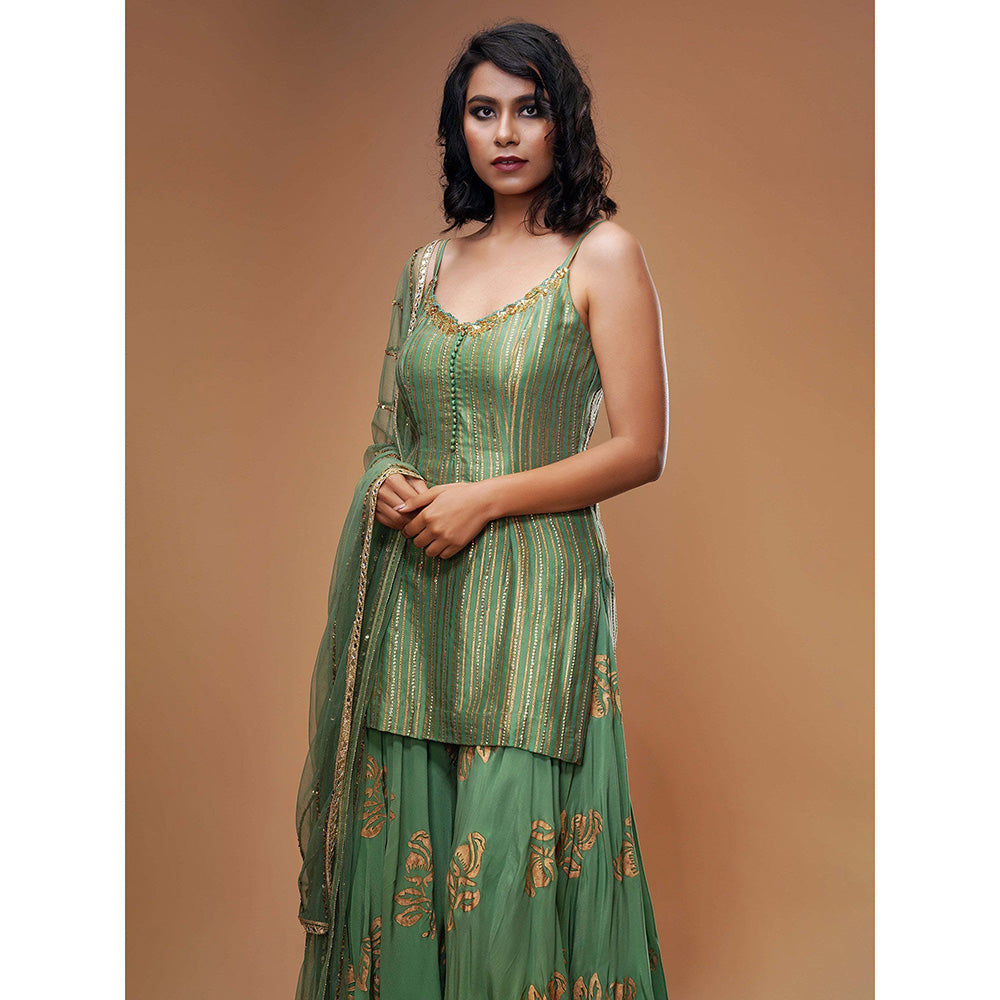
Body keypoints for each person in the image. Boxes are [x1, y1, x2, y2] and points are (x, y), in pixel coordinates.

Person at [295, 20, 670, 1000]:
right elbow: (390, 432)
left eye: (528, 109)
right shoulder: (426, 268)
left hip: (536, 598)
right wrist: (387, 480)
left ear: (562, 122)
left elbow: (639, 447)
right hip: (416, 603)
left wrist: (483, 501)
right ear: (456, 129)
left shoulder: (602, 255)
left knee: (503, 882)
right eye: (482, 110)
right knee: (407, 878)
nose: (505, 133)